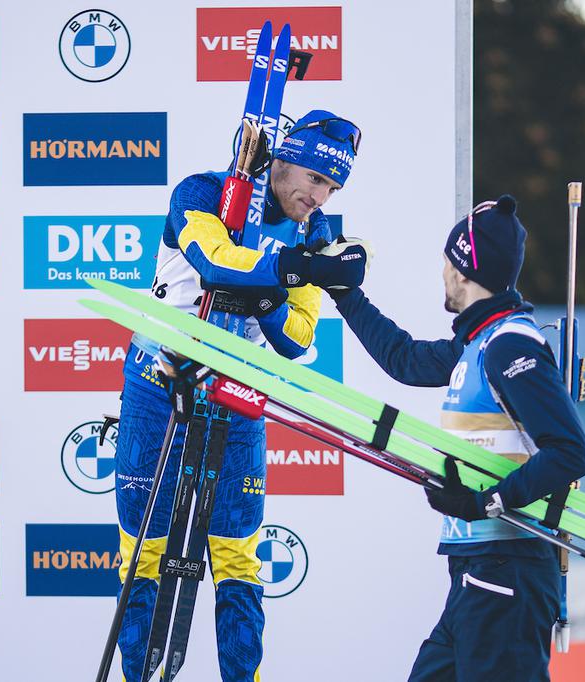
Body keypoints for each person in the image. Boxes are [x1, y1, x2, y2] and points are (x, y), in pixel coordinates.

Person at [113, 110, 366, 682]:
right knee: (143, 550)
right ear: (283, 158)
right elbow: (210, 262)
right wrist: (293, 269)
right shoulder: (201, 192)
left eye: (332, 187)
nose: (319, 197)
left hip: (236, 387)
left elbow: (297, 341)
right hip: (158, 379)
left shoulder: (314, 231)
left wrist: (270, 297)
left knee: (235, 553)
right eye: (315, 179)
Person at [329, 195, 585, 681]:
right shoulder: (478, 343)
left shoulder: (509, 344)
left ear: (464, 270)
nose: (442, 273)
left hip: (506, 568)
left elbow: (570, 452)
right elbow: (404, 360)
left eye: (446, 263)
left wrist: (485, 502)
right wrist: (345, 294)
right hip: (476, 572)